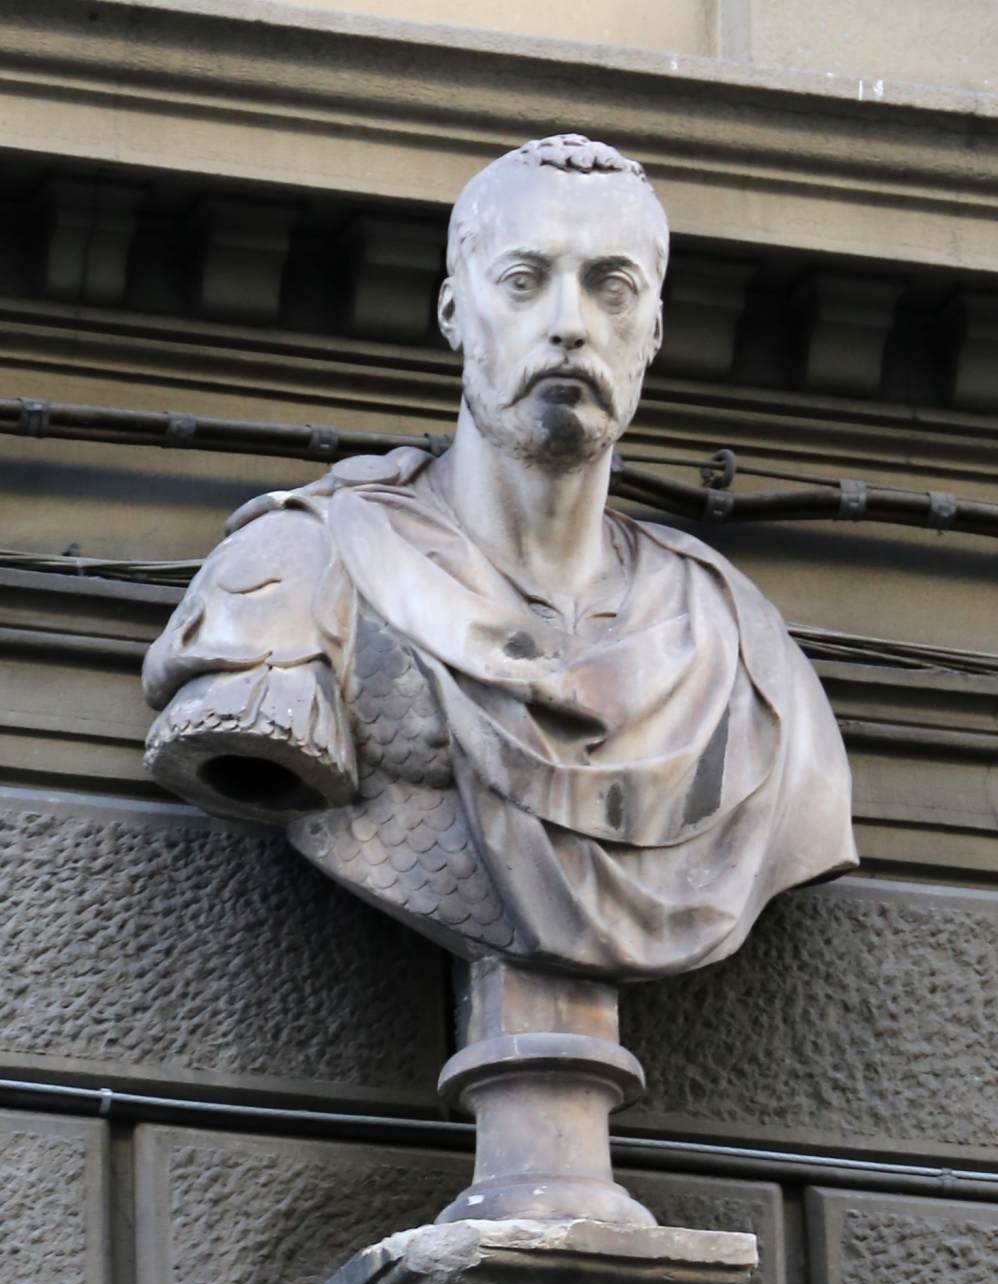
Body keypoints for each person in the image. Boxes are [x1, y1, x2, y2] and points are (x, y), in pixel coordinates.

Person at [144, 133, 856, 979]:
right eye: (524, 282)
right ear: (453, 312)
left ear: (654, 330)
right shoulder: (301, 569)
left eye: (612, 289)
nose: (568, 327)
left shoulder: (738, 646)